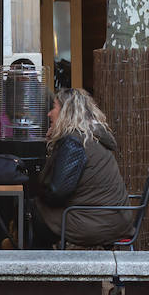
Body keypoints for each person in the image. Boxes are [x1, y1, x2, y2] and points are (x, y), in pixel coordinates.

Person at [30, 88, 132, 249]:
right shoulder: (89, 136)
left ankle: (36, 267)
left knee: (34, 211)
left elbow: (57, 192)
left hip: (95, 222)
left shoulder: (73, 142)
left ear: (66, 112)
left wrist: (37, 190)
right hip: (112, 217)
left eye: (54, 107)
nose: (49, 114)